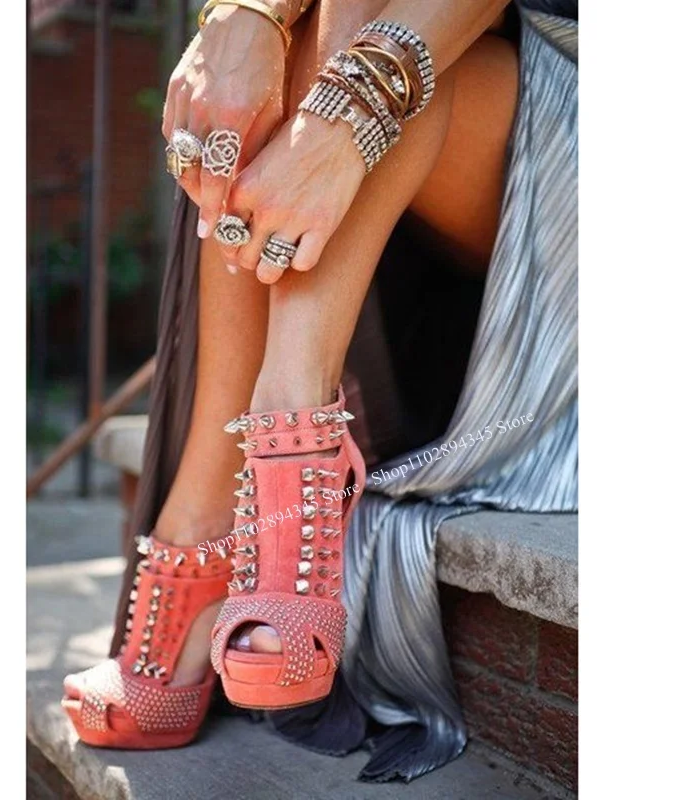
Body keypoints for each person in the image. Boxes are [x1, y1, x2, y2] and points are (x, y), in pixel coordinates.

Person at [63, 0, 577, 782]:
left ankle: (279, 430)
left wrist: (343, 117)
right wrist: (249, 20)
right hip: (420, 145)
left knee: (361, 24)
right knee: (284, 52)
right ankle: (232, 487)